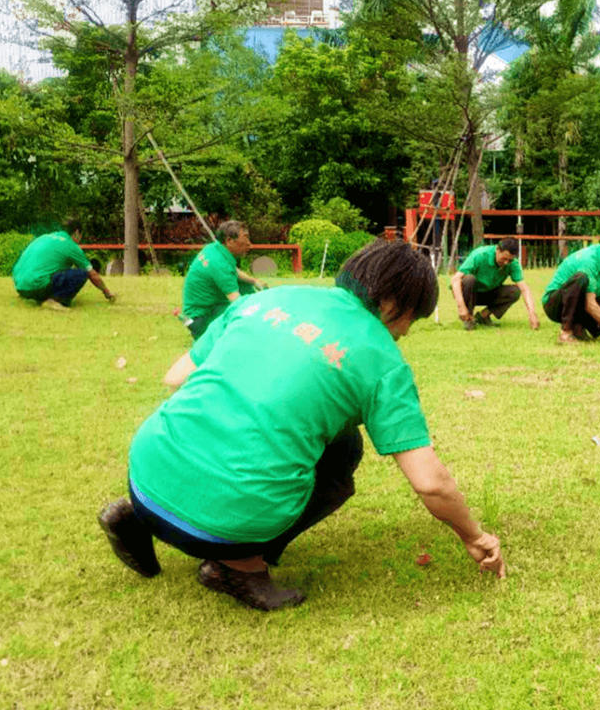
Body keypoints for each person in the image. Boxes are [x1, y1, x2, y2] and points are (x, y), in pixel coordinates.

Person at [97, 241, 506, 611]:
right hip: (226, 523)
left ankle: (136, 515)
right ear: (392, 304)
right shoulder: (382, 358)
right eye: (409, 323)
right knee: (343, 462)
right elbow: (429, 482)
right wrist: (474, 536)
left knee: (341, 441)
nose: (402, 335)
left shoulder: (271, 298)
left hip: (143, 473)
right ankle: (239, 566)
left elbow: (177, 376)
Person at [542, 234, 600, 344]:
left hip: (580, 304)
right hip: (555, 304)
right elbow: (590, 306)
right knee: (581, 278)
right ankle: (566, 332)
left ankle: (579, 329)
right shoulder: (589, 262)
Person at [181, 220, 267, 340]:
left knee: (246, 287)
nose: (249, 244)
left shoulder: (214, 248)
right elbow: (237, 303)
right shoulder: (220, 267)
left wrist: (254, 281)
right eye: (245, 238)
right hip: (202, 317)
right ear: (229, 241)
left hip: (196, 309)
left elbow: (234, 271)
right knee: (247, 311)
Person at [11, 223, 115, 309]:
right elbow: (92, 274)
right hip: (37, 287)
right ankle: (55, 301)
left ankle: (30, 294)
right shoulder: (71, 245)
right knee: (82, 273)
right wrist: (107, 292)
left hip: (21, 287)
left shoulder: (44, 237)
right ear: (77, 232)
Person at [450, 237, 539, 331]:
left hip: (490, 292)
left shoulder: (513, 264)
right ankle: (468, 318)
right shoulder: (480, 255)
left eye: (510, 260)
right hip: (471, 293)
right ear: (497, 250)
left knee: (515, 291)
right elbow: (455, 279)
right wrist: (461, 307)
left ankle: (483, 316)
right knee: (468, 279)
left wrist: (532, 314)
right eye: (504, 258)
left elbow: (524, 289)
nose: (506, 263)